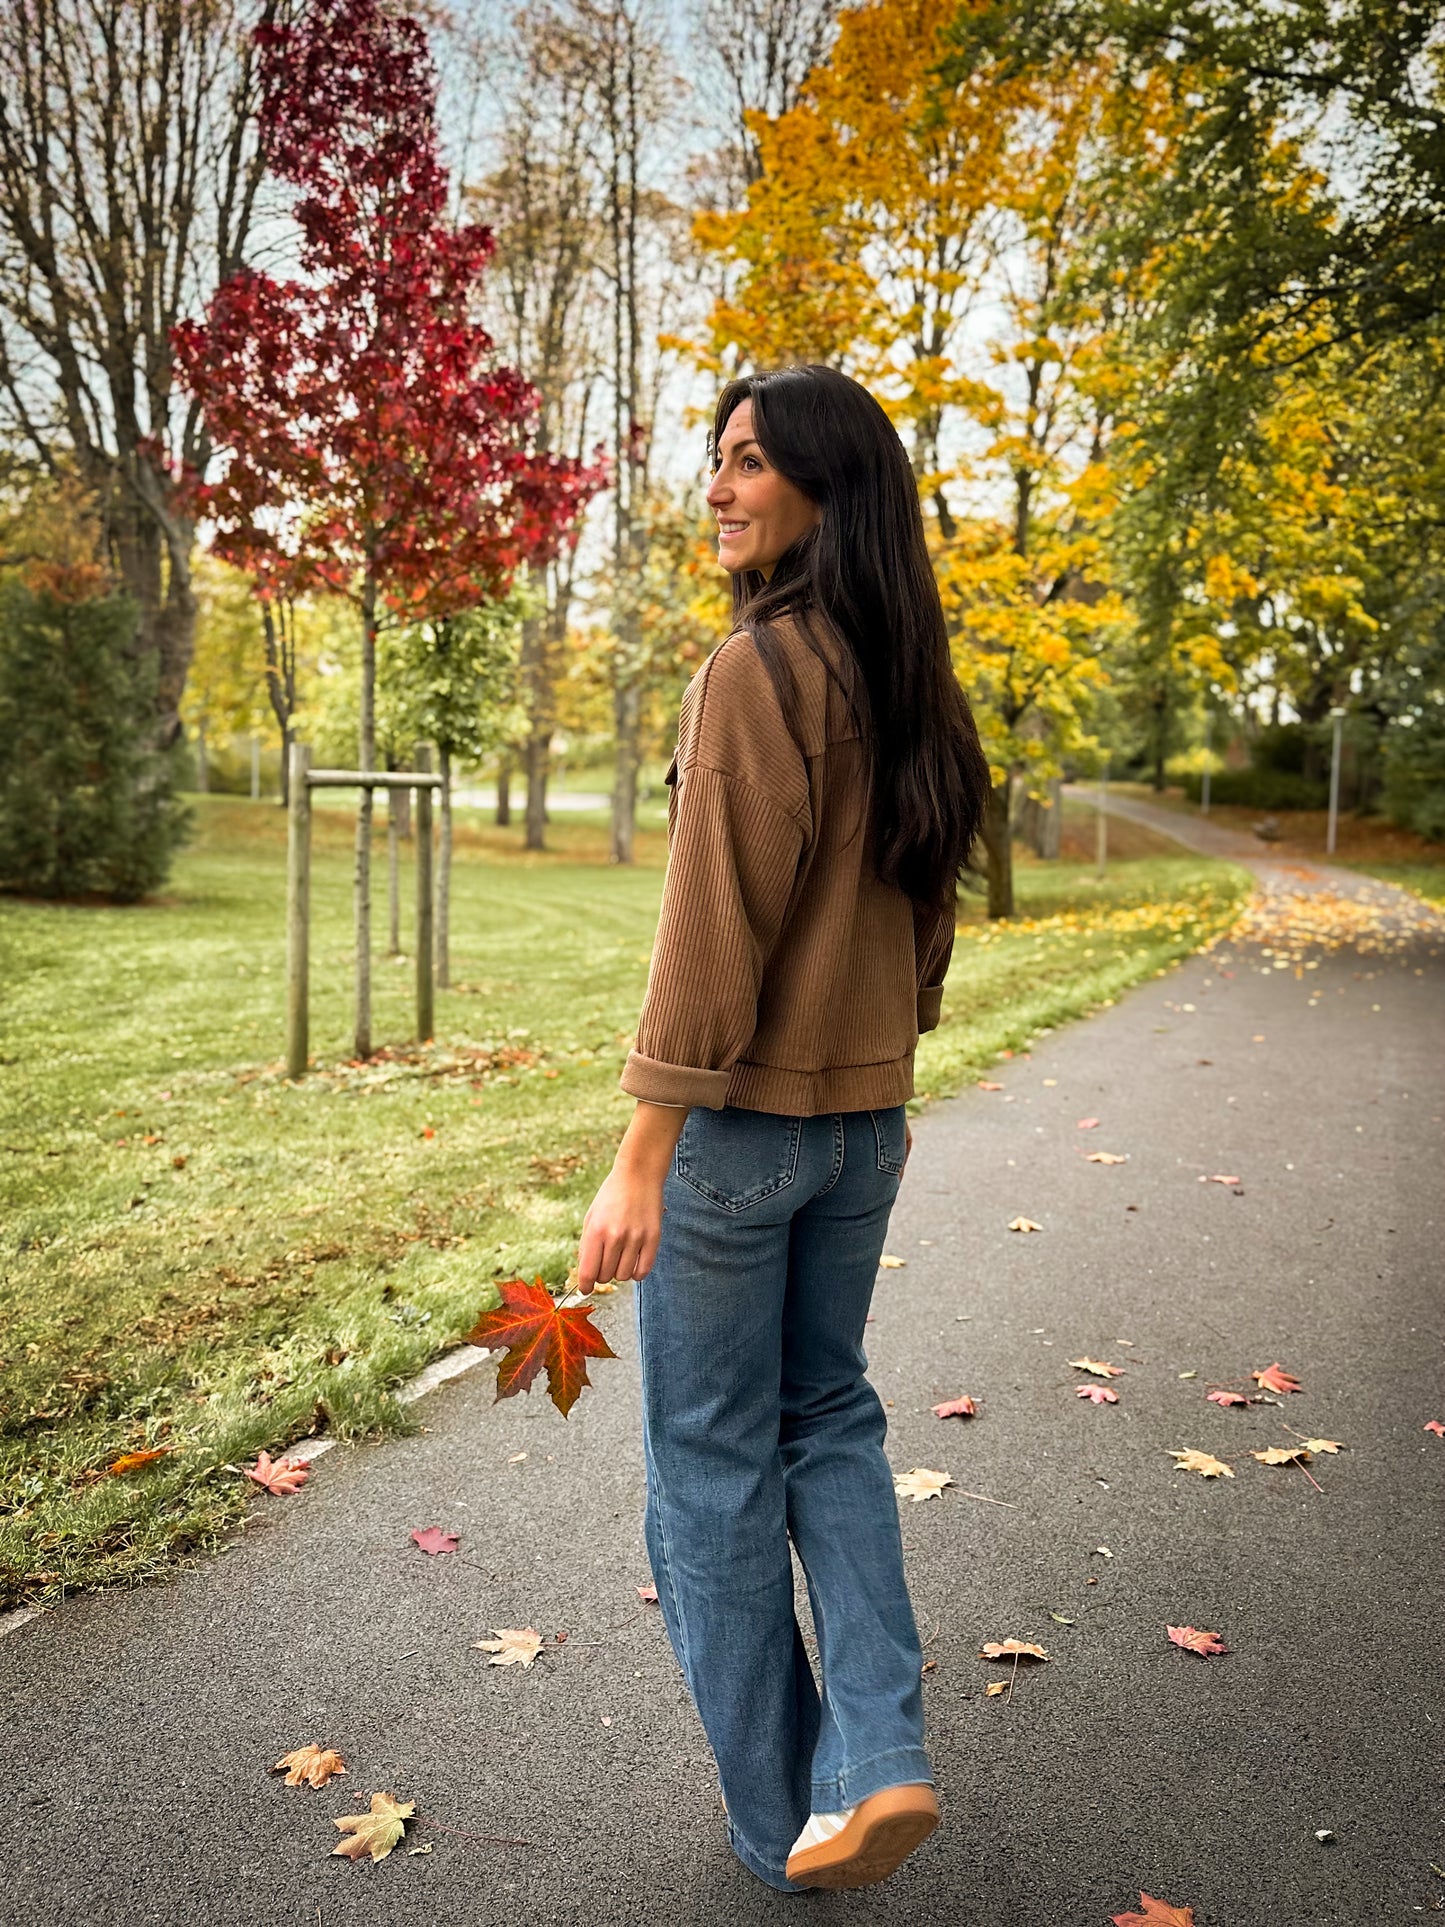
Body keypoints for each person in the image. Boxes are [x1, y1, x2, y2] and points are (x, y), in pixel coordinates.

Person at [576, 364, 991, 1893]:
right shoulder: (909, 678)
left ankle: (787, 1829)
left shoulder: (756, 670)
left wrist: (641, 1155)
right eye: (717, 460)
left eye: (750, 461)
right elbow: (928, 930)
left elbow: (710, 936)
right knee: (827, 1418)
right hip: (863, 1130)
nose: (718, 485)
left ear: (828, 486)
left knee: (708, 1465)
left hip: (741, 1142)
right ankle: (875, 1757)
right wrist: (872, 1051)